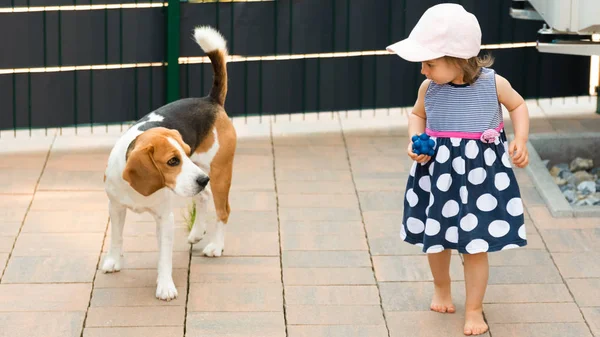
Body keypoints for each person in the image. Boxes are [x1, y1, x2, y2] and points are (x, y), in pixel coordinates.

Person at [386, 3, 530, 336]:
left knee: (475, 245)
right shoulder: (429, 88)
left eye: (430, 63)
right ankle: (441, 287)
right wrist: (415, 139)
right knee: (437, 237)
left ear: (458, 59)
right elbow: (417, 116)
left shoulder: (494, 84)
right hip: (438, 175)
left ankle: (475, 309)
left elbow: (518, 105)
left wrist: (520, 139)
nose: (423, 70)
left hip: (481, 180)